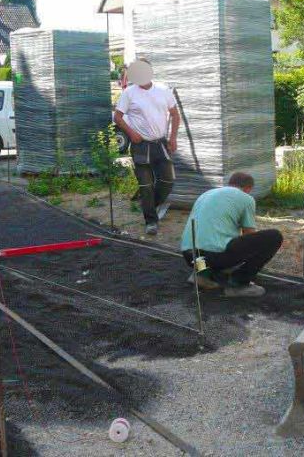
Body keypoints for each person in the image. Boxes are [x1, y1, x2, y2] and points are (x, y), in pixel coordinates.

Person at [180, 172, 283, 298]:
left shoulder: (206, 194)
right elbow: (249, 235)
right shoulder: (246, 198)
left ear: (230, 184)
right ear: (248, 188)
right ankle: (239, 284)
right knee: (274, 236)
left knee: (207, 253)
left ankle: (202, 276)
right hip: (214, 257)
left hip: (191, 257)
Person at [113, 59, 180, 235]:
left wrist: (173, 137)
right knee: (146, 185)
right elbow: (118, 117)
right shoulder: (129, 93)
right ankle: (150, 220)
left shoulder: (163, 91)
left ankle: (149, 205)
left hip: (160, 143)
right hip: (140, 145)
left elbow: (175, 114)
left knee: (168, 180)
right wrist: (131, 133)